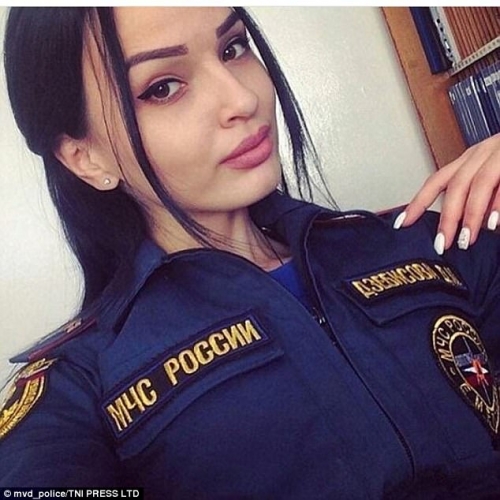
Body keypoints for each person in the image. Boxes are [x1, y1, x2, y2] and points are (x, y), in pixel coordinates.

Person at [2, 6, 500, 498]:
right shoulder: (81, 383)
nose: (242, 98)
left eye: (233, 48)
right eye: (163, 88)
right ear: (86, 158)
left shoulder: (428, 241)